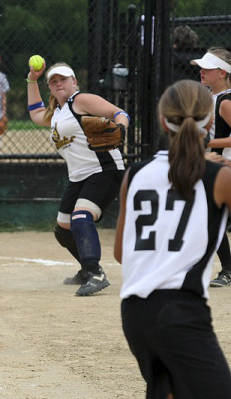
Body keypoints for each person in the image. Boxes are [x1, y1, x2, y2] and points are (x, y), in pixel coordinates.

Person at [114, 79, 231, 398]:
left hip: (134, 313)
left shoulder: (135, 174)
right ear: (210, 123)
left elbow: (121, 254)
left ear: (164, 121)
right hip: (181, 311)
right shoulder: (218, 176)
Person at [27, 61, 129, 296]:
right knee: (63, 230)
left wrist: (121, 128)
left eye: (63, 79)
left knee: (81, 217)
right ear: (50, 88)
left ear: (74, 82)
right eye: (53, 81)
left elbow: (119, 113)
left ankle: (96, 273)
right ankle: (87, 268)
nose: (58, 83)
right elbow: (35, 113)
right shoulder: (57, 114)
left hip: (104, 169)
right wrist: (32, 80)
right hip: (79, 177)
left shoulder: (80, 101)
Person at [191, 48, 231, 287]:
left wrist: (207, 142)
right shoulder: (209, 97)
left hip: (224, 166)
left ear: (222, 72)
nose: (202, 72)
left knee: (212, 218)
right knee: (209, 218)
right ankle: (227, 269)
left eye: (207, 68)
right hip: (213, 167)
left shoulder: (225, 101)